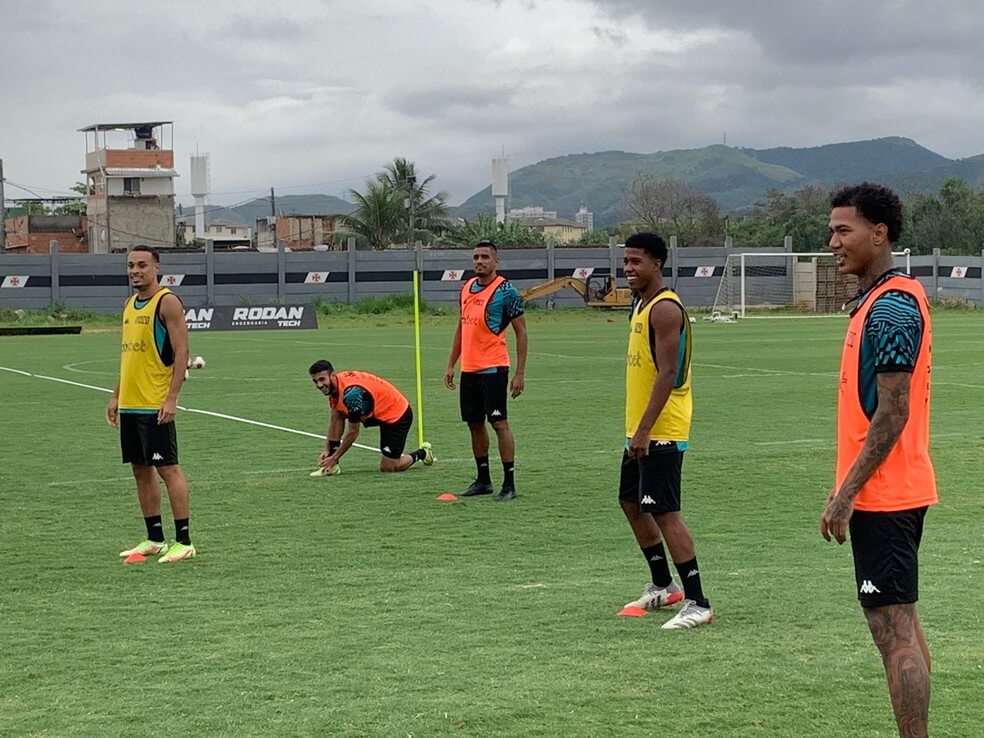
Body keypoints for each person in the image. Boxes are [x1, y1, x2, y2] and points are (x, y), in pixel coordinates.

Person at [822, 183, 936, 738]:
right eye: (832, 230)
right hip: (890, 491)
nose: (833, 241)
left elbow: (893, 414)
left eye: (844, 230)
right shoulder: (878, 300)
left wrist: (847, 494)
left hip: (886, 496)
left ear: (880, 233)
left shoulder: (891, 306)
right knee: (904, 628)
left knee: (892, 634)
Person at [618, 232, 713, 629]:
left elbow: (667, 374)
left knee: (666, 512)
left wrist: (644, 430)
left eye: (636, 262)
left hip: (662, 429)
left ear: (657, 264)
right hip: (640, 428)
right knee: (631, 503)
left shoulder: (665, 309)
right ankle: (663, 585)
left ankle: (697, 602)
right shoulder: (641, 305)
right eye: (626, 262)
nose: (628, 269)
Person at [107, 245, 196, 563]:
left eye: (142, 265)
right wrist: (117, 395)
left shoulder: (167, 302)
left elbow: (182, 352)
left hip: (154, 404)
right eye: (131, 265)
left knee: (167, 469)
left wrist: (172, 398)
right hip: (131, 404)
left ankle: (183, 540)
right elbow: (129, 355)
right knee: (140, 471)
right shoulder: (130, 304)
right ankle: (154, 537)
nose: (135, 270)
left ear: (156, 267)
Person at [444, 241, 528, 502]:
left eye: (485, 257)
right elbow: (462, 328)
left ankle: (509, 483)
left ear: (495, 261)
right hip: (469, 369)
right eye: (476, 257)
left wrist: (519, 373)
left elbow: (521, 332)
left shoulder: (506, 291)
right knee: (474, 424)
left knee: (499, 423)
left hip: (494, 368)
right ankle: (483, 480)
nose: (479, 261)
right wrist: (451, 364)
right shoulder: (466, 288)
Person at [309, 360, 434, 473]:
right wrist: (327, 450)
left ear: (332, 375)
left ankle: (423, 453)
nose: (319, 385)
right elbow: (334, 421)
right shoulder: (335, 386)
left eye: (322, 379)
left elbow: (353, 432)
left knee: (389, 467)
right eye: (315, 381)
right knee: (337, 413)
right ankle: (332, 467)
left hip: (397, 415)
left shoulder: (352, 394)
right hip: (377, 409)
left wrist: (335, 456)